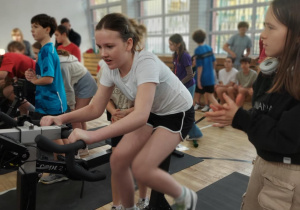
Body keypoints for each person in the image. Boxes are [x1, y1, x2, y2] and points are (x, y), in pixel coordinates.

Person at [41, 13, 197, 210]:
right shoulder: (110, 69)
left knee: (142, 167)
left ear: (128, 44)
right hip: (153, 111)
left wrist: (91, 135)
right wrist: (60, 118)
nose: (103, 53)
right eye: (100, 47)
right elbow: (95, 108)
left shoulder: (145, 62)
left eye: (109, 46)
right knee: (118, 159)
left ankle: (184, 196)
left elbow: (140, 115)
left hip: (177, 112)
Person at [206, 0, 300, 209]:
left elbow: (283, 138)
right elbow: (260, 110)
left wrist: (239, 117)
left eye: (270, 27)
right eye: (264, 26)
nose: (262, 35)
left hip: (288, 177)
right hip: (263, 162)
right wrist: (266, 71)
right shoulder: (273, 73)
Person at [25, 14, 68, 184]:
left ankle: (62, 169)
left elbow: (48, 78)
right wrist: (34, 76)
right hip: (52, 99)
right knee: (58, 134)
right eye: (32, 26)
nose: (32, 30)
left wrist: (35, 80)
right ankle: (68, 164)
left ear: (47, 29)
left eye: (35, 26)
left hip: (50, 100)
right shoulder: (48, 49)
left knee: (53, 136)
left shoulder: (45, 50)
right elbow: (45, 76)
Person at [169, 33, 203, 141]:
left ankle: (195, 133)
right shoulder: (176, 55)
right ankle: (191, 132)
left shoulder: (185, 56)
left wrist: (179, 83)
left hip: (188, 86)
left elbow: (189, 75)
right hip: (181, 86)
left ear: (178, 44)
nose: (170, 46)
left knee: (186, 110)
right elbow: (175, 71)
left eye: (171, 44)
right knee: (182, 110)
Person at [192, 29, 219, 112]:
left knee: (196, 94)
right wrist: (211, 72)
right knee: (211, 96)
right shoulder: (209, 48)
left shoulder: (198, 50)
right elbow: (215, 62)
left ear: (195, 39)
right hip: (210, 76)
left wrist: (199, 80)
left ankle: (220, 111)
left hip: (203, 77)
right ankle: (220, 110)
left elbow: (199, 67)